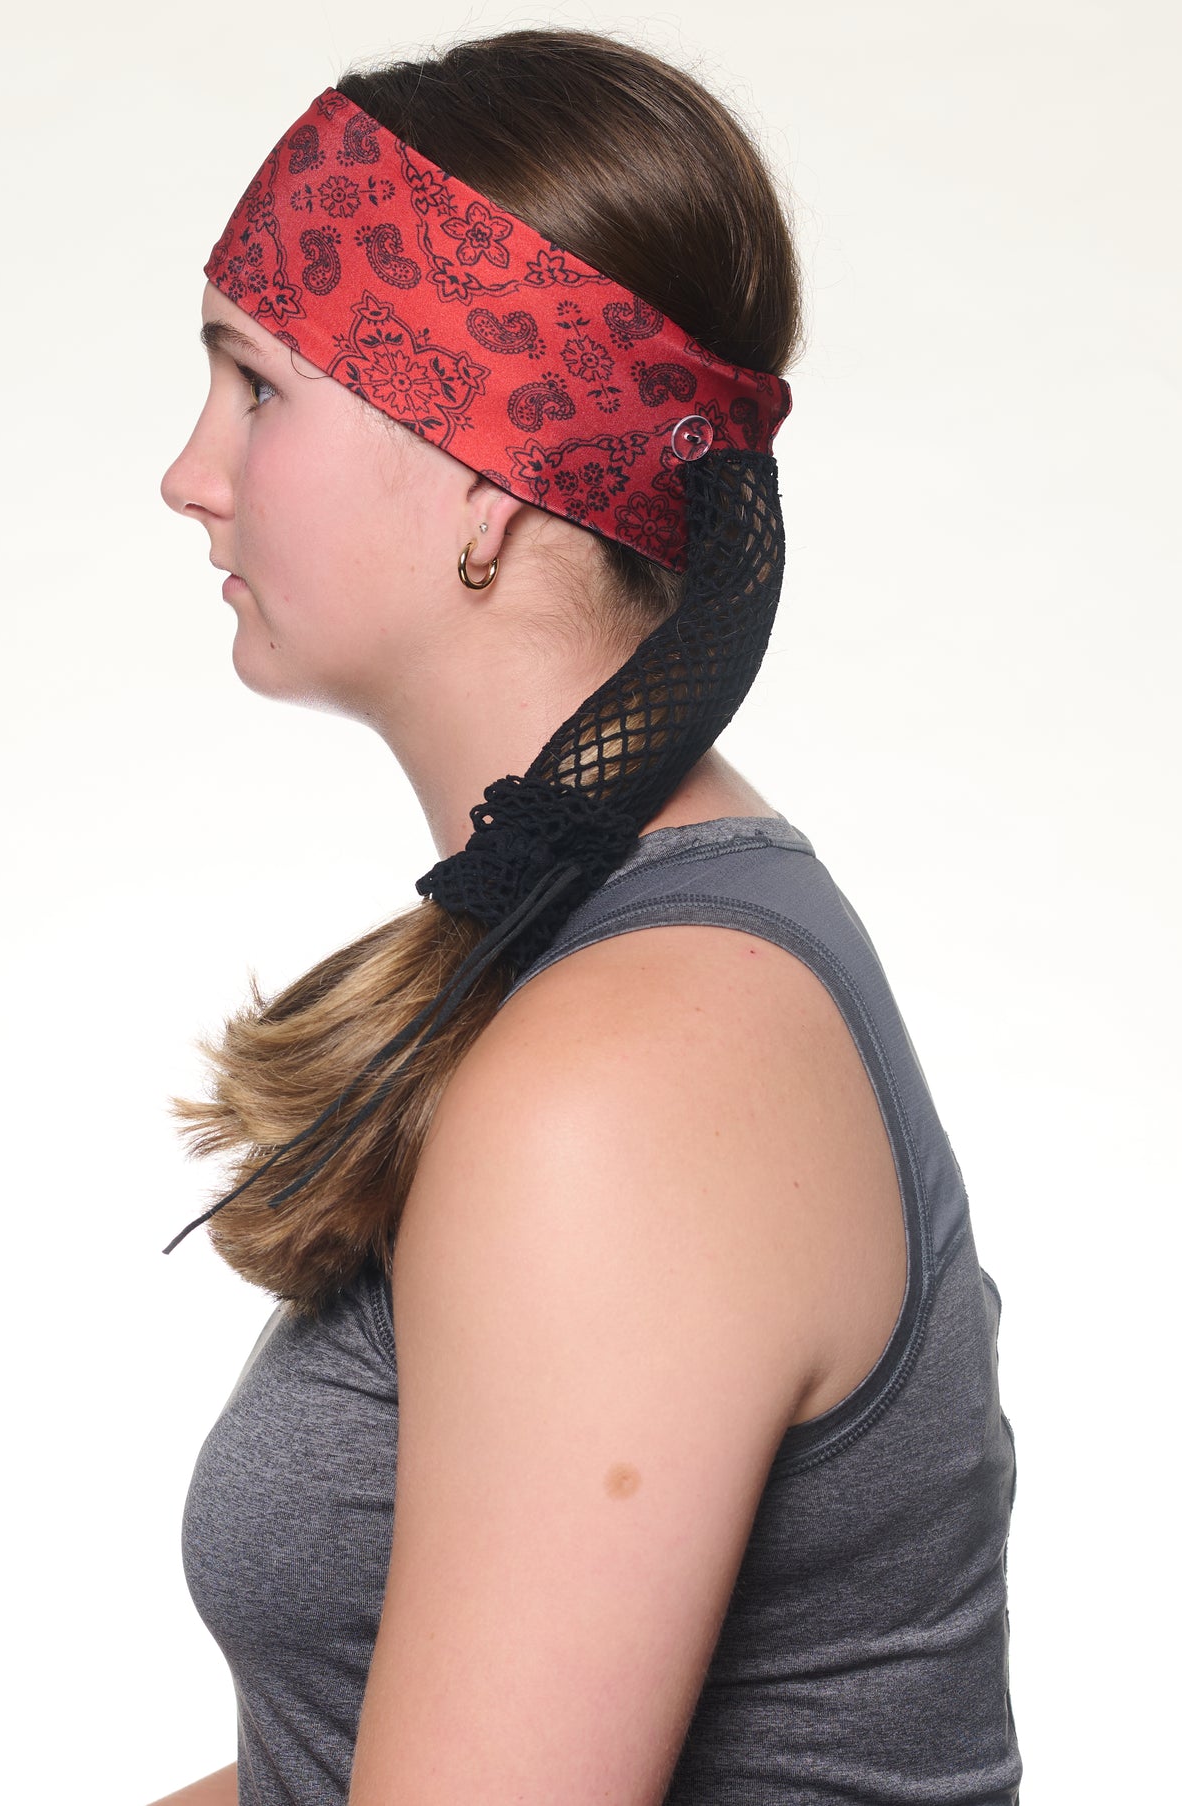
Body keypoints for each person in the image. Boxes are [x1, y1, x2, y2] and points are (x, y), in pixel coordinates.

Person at [150, 26, 1021, 1806]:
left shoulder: (630, 1070)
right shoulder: (591, 955)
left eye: (254, 385)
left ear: (481, 469)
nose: (189, 472)